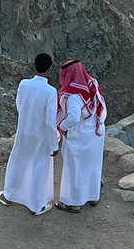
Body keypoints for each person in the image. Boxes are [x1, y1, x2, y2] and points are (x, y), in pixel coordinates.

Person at [0, 52, 59, 216]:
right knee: (39, 167)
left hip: (24, 131)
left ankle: (8, 195)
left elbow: (19, 105)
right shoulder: (51, 92)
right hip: (41, 135)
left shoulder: (24, 84)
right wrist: (54, 144)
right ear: (49, 69)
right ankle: (36, 205)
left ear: (34, 66)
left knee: (18, 161)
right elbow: (50, 122)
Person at [54, 59, 106, 213]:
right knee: (93, 166)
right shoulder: (92, 84)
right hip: (96, 134)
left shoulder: (73, 95)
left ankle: (74, 203)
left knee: (74, 168)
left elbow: (74, 117)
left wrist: (61, 126)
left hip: (79, 137)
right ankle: (93, 196)